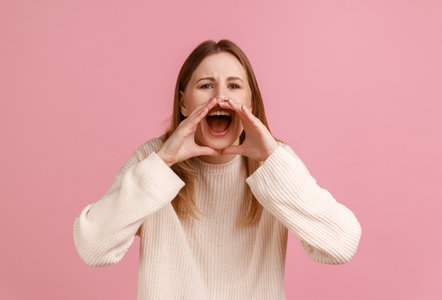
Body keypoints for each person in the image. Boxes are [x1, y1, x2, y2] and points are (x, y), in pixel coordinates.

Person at [73, 39, 362, 300]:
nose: (220, 97)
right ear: (184, 102)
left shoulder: (277, 163)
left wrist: (273, 161)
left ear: (250, 102)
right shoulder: (153, 159)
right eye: (206, 85)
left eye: (234, 86)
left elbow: (341, 245)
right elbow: (93, 248)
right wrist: (161, 165)